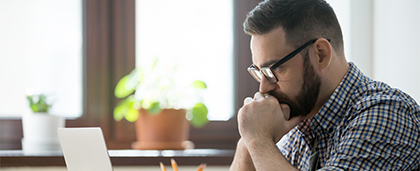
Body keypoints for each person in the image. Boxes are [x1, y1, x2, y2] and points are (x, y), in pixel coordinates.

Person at [229, 0, 420, 170]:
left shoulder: (386, 112)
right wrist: (247, 142)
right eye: (260, 72)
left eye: (275, 69)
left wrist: (258, 140)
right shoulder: (302, 126)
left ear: (320, 54)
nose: (264, 88)